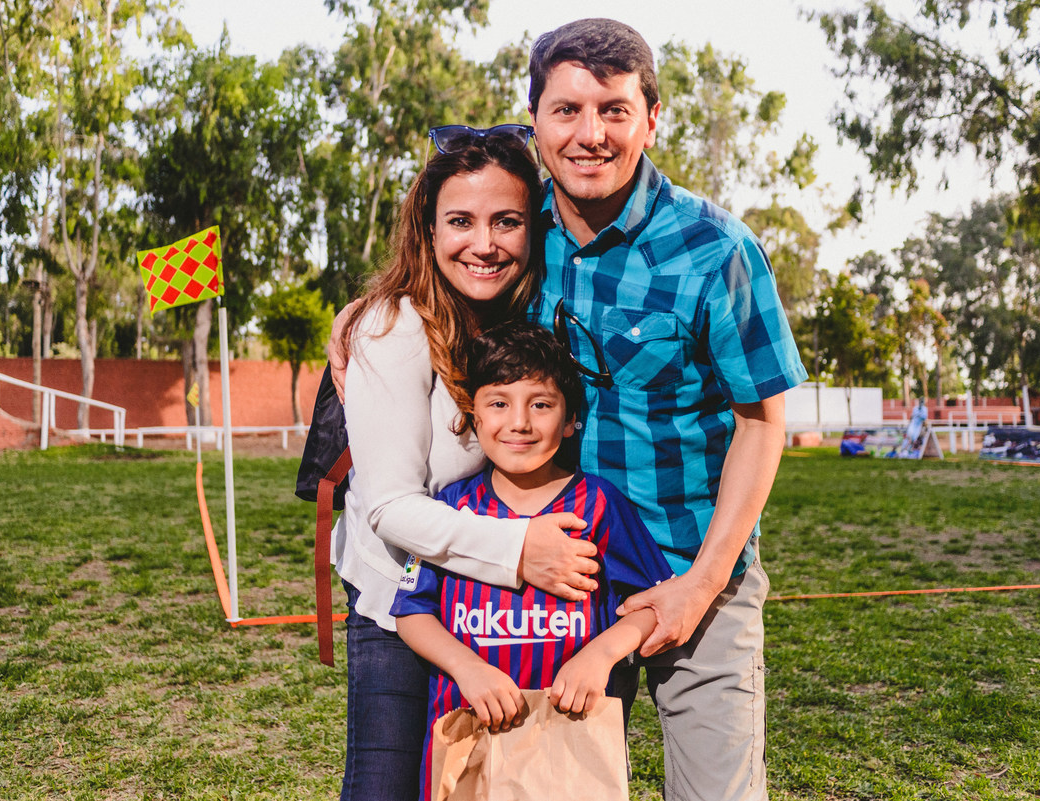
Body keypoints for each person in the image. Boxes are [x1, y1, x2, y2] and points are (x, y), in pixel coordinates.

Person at [331, 18, 807, 800]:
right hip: (563, 586)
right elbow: (446, 263)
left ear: (652, 118)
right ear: (536, 124)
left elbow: (764, 421)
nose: (591, 134)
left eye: (615, 109)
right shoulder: (522, 232)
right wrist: (361, 314)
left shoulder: (717, 250)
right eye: (568, 110)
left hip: (692, 572)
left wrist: (702, 582)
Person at [332, 128, 603, 801]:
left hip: (486, 615)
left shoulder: (518, 324)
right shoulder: (393, 326)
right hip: (402, 608)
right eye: (460, 220)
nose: (484, 242)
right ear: (427, 229)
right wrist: (522, 550)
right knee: (387, 788)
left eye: (506, 221)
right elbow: (390, 506)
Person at [391, 321, 673, 800]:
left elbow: (654, 604)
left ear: (569, 420)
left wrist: (600, 656)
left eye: (540, 404)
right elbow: (411, 613)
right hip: (467, 731)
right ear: (472, 415)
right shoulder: (449, 511)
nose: (519, 422)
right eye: (498, 403)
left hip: (570, 734)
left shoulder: (599, 505)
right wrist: (468, 669)